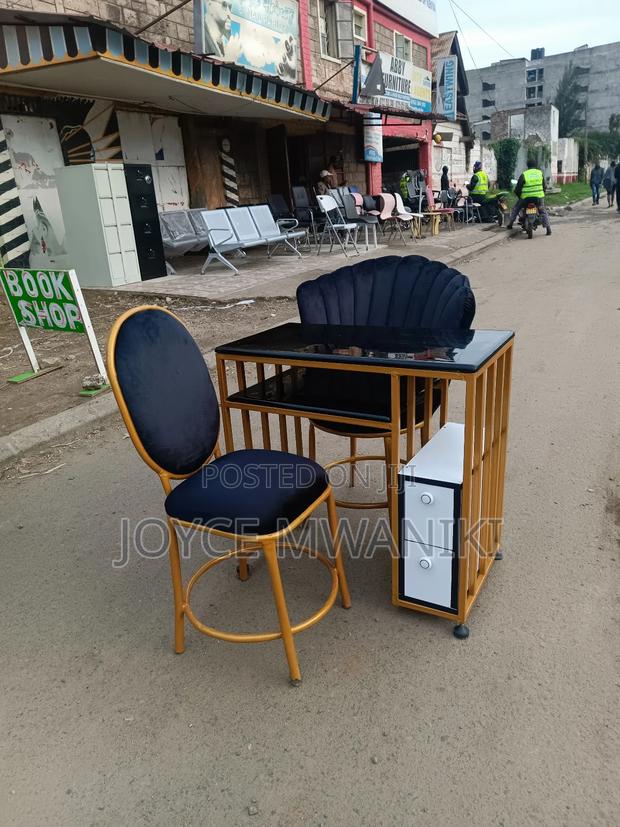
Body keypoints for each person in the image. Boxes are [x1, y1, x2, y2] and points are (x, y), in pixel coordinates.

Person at [506, 159, 552, 235]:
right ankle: (548, 229)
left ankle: (510, 224)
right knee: (543, 211)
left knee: (516, 208)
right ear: (536, 165)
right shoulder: (540, 173)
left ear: (527, 166)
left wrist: (520, 196)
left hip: (526, 198)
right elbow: (544, 186)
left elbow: (518, 189)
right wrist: (542, 193)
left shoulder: (524, 174)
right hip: (538, 198)